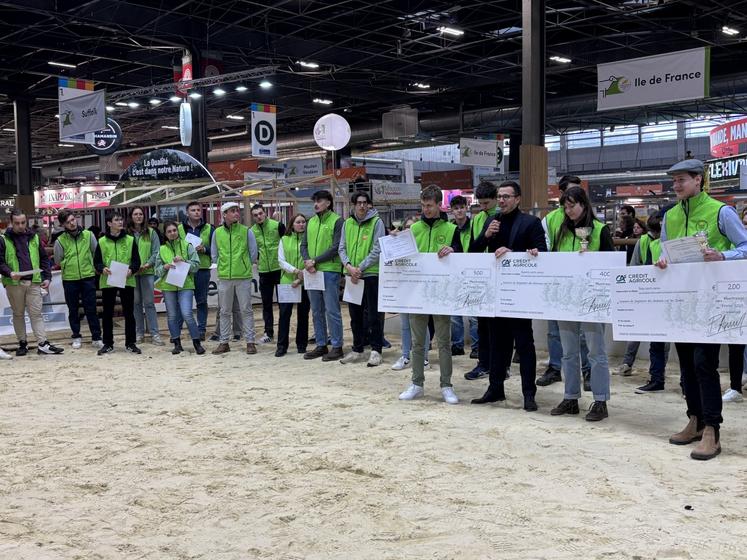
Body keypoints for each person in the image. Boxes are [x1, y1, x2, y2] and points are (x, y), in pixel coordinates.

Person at [658, 158, 747, 460]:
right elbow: (664, 251)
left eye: (681, 179)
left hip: (713, 300)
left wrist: (724, 255)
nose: (676, 185)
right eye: (674, 181)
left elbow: (746, 246)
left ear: (699, 180)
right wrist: (662, 261)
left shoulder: (722, 212)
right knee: (685, 365)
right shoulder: (669, 216)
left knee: (703, 363)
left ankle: (712, 430)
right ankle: (694, 419)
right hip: (683, 300)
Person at [470, 181, 547, 411]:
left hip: (521, 296)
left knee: (524, 346)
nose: (501, 200)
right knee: (497, 345)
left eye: (506, 196)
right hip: (497, 293)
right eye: (499, 196)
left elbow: (542, 253)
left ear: (517, 199)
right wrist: (485, 236)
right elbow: (473, 253)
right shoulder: (491, 221)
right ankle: (495, 390)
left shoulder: (530, 223)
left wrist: (515, 255)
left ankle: (528, 394)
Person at [548, 186, 615, 422]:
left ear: (584, 204)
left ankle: (600, 400)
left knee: (596, 352)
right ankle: (570, 397)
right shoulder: (561, 231)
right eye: (565, 207)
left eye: (572, 205)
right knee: (568, 352)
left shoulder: (600, 230)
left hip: (593, 299)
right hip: (566, 299)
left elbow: (612, 266)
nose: (568, 211)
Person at [398, 185, 462, 404]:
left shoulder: (452, 229)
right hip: (417, 293)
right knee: (418, 343)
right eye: (423, 205)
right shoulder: (413, 230)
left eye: (430, 205)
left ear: (439, 205)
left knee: (444, 342)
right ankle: (417, 383)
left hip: (441, 294)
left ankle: (446, 385)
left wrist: (453, 251)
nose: (426, 209)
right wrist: (395, 244)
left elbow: (463, 256)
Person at [537, 175, 591, 388]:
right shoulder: (550, 219)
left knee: (586, 332)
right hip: (557, 282)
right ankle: (555, 367)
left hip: (585, 283)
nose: (576, 196)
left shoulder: (590, 221)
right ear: (561, 193)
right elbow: (545, 246)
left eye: (579, 192)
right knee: (554, 330)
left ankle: (588, 371)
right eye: (571, 191)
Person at [615, 213, 670, 393]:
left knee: (665, 339)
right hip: (646, 294)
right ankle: (650, 374)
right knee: (640, 334)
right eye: (653, 232)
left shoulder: (670, 241)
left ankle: (665, 375)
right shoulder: (643, 241)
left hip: (668, 296)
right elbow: (634, 266)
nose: (656, 235)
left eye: (658, 232)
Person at [0, 209, 63, 357]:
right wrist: (9, 273)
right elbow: (0, 262)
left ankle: (43, 344)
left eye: (23, 222)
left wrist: (47, 277)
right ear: (11, 223)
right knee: (18, 314)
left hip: (34, 281)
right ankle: (22, 343)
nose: (21, 226)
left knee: (36, 314)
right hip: (13, 283)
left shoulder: (34, 237)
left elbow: (43, 259)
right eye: (17, 223)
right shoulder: (3, 239)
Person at [338, 191, 386, 367]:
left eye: (365, 202)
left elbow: (377, 248)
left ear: (369, 204)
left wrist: (360, 268)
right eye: (358, 202)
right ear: (353, 205)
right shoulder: (347, 223)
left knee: (374, 315)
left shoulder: (377, 222)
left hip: (371, 274)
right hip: (352, 276)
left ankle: (376, 350)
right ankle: (357, 349)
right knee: (354, 315)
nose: (362, 205)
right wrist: (349, 267)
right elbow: (341, 248)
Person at [301, 190, 344, 361]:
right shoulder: (310, 222)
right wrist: (307, 261)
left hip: (329, 271)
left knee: (332, 310)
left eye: (319, 200)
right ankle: (321, 344)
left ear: (328, 202)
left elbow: (336, 247)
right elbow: (303, 245)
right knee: (317, 310)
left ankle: (337, 346)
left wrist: (314, 261)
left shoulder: (337, 221)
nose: (315, 204)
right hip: (312, 272)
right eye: (315, 201)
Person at [211, 201, 258, 355]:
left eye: (237, 210)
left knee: (246, 310)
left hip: (243, 277)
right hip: (224, 277)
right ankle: (224, 342)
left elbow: (253, 253)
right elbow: (214, 254)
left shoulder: (246, 231)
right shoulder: (217, 233)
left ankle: (250, 341)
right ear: (224, 214)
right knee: (224, 311)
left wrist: (244, 265)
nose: (236, 213)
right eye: (232, 211)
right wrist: (222, 265)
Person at [53, 209, 103, 350]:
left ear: (76, 219)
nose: (72, 223)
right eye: (68, 222)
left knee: (91, 308)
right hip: (69, 278)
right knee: (73, 309)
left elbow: (96, 252)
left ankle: (96, 337)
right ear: (63, 225)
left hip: (88, 276)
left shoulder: (89, 235)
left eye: (73, 220)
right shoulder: (60, 240)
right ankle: (76, 336)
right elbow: (58, 259)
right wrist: (67, 265)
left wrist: (92, 267)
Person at [464, 181, 499, 380]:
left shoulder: (501, 216)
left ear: (495, 198)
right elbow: (472, 246)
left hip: (498, 276)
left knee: (498, 327)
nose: (484, 206)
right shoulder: (477, 219)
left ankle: (500, 365)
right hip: (480, 276)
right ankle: (483, 363)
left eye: (487, 203)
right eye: (481, 203)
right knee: (482, 325)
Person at [94, 211, 141, 355]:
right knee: (107, 313)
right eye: (116, 220)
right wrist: (103, 269)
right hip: (108, 281)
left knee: (129, 313)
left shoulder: (130, 239)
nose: (120, 222)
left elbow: (136, 260)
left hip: (127, 279)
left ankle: (131, 343)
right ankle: (108, 343)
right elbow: (96, 262)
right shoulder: (101, 241)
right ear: (109, 224)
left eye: (121, 220)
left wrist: (131, 270)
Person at [155, 221, 205, 355]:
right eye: (169, 231)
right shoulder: (161, 249)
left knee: (187, 313)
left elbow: (196, 266)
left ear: (178, 231)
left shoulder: (187, 246)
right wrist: (164, 267)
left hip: (186, 285)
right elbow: (157, 271)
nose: (172, 233)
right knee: (171, 316)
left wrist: (184, 262)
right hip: (168, 286)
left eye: (174, 230)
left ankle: (197, 343)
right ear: (165, 234)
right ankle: (177, 344)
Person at [391, 215, 431, 371]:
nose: (409, 231)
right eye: (406, 228)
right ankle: (406, 356)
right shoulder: (400, 247)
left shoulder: (421, 246)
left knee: (422, 324)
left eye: (411, 228)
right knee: (405, 324)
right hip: (403, 287)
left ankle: (425, 358)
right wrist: (393, 240)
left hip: (420, 287)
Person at [178, 201, 214, 341]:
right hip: (184, 269)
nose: (196, 212)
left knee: (201, 301)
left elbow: (216, 250)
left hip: (202, 268)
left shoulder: (209, 229)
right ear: (187, 212)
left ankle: (201, 330)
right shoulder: (179, 228)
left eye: (198, 210)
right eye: (193, 210)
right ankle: (178, 329)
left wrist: (204, 249)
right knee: (181, 301)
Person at [276, 213, 310, 357]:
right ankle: (282, 346)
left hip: (305, 282)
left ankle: (302, 344)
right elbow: (281, 261)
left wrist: (302, 275)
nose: (301, 224)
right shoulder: (284, 239)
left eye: (303, 222)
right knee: (284, 315)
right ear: (292, 224)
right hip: (287, 282)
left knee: (303, 315)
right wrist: (295, 271)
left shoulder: (309, 240)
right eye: (298, 222)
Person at [251, 203, 285, 344]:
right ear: (253, 217)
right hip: (264, 271)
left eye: (260, 213)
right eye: (255, 215)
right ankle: (268, 332)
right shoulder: (251, 231)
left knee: (283, 303)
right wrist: (257, 260)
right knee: (266, 304)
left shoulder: (277, 226)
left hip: (280, 270)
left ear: (265, 213)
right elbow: (252, 249)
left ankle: (284, 331)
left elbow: (286, 243)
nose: (259, 216)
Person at [449, 195, 478, 357]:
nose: (459, 211)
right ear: (451, 211)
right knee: (455, 314)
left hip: (473, 275)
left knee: (474, 315)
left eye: (461, 207)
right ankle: (457, 345)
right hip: (455, 276)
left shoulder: (475, 226)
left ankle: (476, 346)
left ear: (466, 208)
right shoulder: (450, 229)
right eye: (456, 208)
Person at [128, 207, 163, 346]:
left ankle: (155, 334)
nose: (138, 216)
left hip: (147, 272)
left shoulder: (151, 232)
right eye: (135, 214)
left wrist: (148, 264)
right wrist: (132, 267)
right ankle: (139, 333)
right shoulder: (127, 233)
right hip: (132, 273)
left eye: (141, 214)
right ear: (131, 216)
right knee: (136, 304)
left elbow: (156, 251)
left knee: (149, 304)